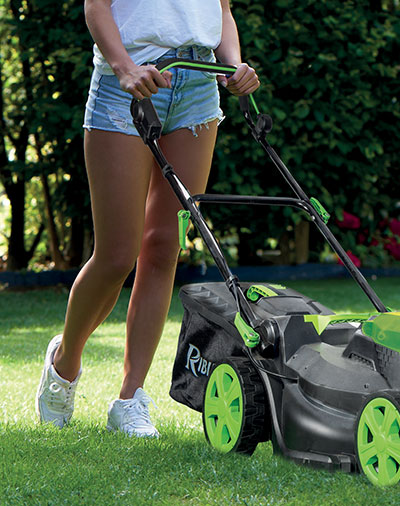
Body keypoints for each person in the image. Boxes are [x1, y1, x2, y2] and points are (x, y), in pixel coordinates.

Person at [35, 0, 259, 437]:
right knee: (117, 255)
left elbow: (222, 11)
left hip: (199, 85)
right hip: (128, 81)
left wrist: (233, 63)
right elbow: (96, 6)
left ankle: (130, 397)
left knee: (163, 247)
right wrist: (123, 67)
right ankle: (64, 364)